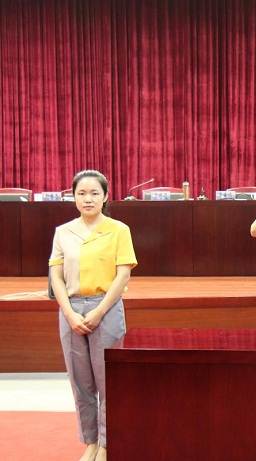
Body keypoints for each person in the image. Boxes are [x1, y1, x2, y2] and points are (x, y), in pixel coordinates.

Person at [49, 170, 137, 461]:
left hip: (106, 308)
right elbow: (56, 277)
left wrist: (99, 312)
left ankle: (107, 443)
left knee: (108, 380)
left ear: (105, 196)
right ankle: (90, 442)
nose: (88, 199)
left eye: (94, 193)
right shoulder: (63, 232)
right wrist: (69, 313)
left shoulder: (119, 230)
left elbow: (123, 275)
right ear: (74, 197)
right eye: (81, 194)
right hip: (71, 310)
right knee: (81, 382)